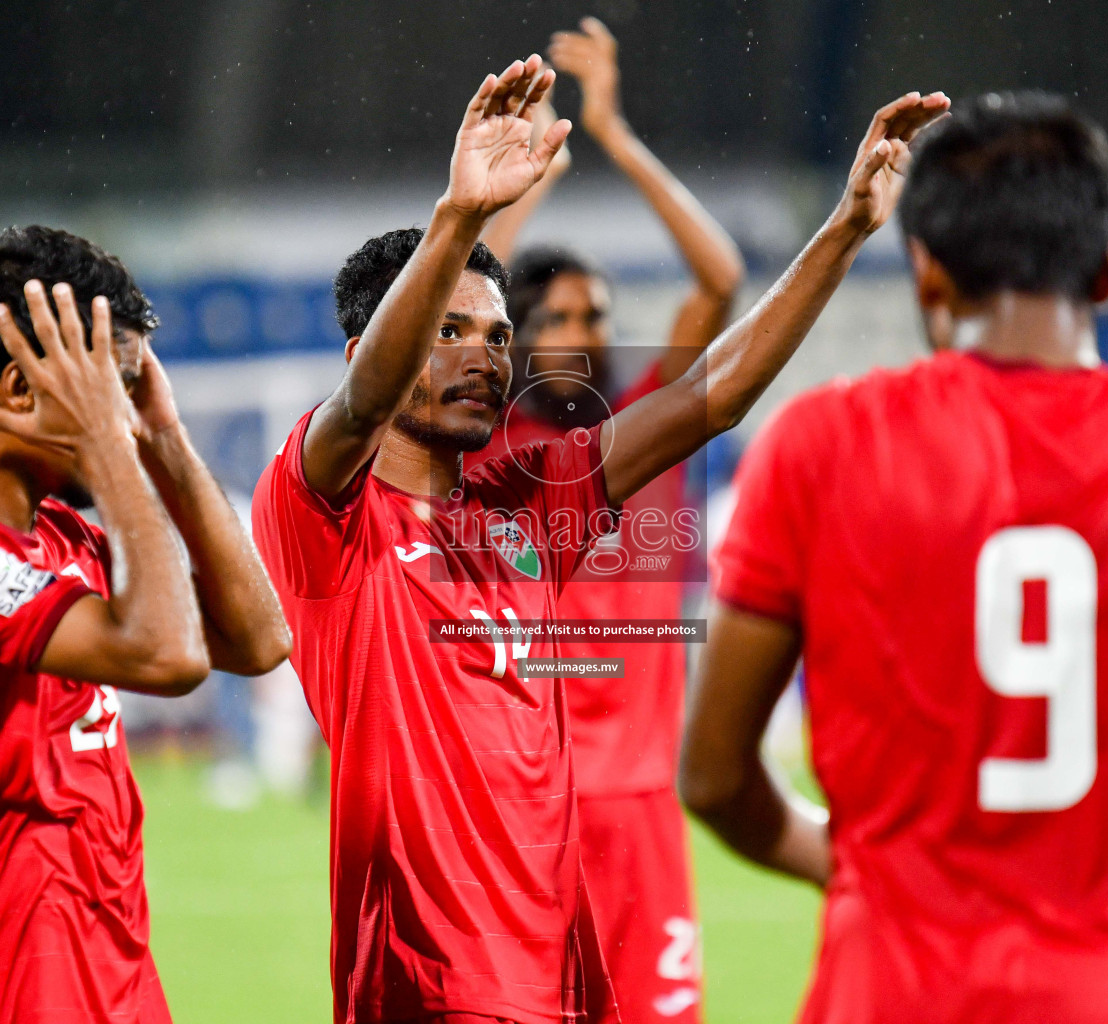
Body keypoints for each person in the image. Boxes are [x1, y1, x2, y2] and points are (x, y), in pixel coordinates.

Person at [251, 51, 945, 1024]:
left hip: (562, 963)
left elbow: (712, 393)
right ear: (372, 349)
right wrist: (459, 218)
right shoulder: (323, 508)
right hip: (429, 975)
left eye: (497, 338)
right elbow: (362, 403)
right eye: (447, 331)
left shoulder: (525, 502)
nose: (483, 355)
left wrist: (845, 229)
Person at [678, 93, 1108, 1024]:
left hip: (892, 995)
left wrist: (863, 866)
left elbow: (712, 775)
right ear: (1107, 271)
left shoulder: (819, 446)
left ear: (929, 274)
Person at [0, 226, 292, 1024]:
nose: (121, 419)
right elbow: (167, 656)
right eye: (107, 390)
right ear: (20, 391)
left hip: (116, 984)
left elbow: (259, 641)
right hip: (8, 993)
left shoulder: (60, 536)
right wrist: (111, 454)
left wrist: (164, 439)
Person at [466, 19, 746, 1021]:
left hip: (638, 810)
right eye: (555, 320)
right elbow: (455, 291)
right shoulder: (483, 452)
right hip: (523, 805)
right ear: (514, 340)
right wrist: (519, 180)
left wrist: (618, 138)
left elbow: (720, 281)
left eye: (595, 315)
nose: (582, 334)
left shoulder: (649, 429)